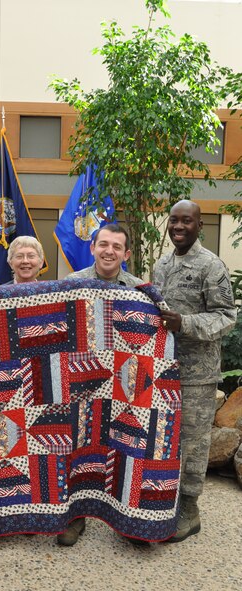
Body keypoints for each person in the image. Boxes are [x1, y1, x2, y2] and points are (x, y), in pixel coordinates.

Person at [153, 199, 236, 543]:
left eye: (187, 221)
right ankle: (166, 500)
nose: (178, 227)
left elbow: (226, 317)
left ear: (199, 225)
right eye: (174, 220)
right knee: (166, 441)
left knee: (194, 442)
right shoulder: (161, 264)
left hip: (197, 374)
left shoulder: (211, 266)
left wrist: (183, 323)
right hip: (163, 369)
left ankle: (189, 508)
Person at [57, 223, 143, 547]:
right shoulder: (70, 284)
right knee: (77, 448)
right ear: (92, 247)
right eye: (103, 244)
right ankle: (74, 516)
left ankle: (126, 519)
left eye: (116, 246)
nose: (109, 251)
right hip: (82, 380)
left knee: (125, 447)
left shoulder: (140, 290)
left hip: (125, 385)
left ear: (126, 254)